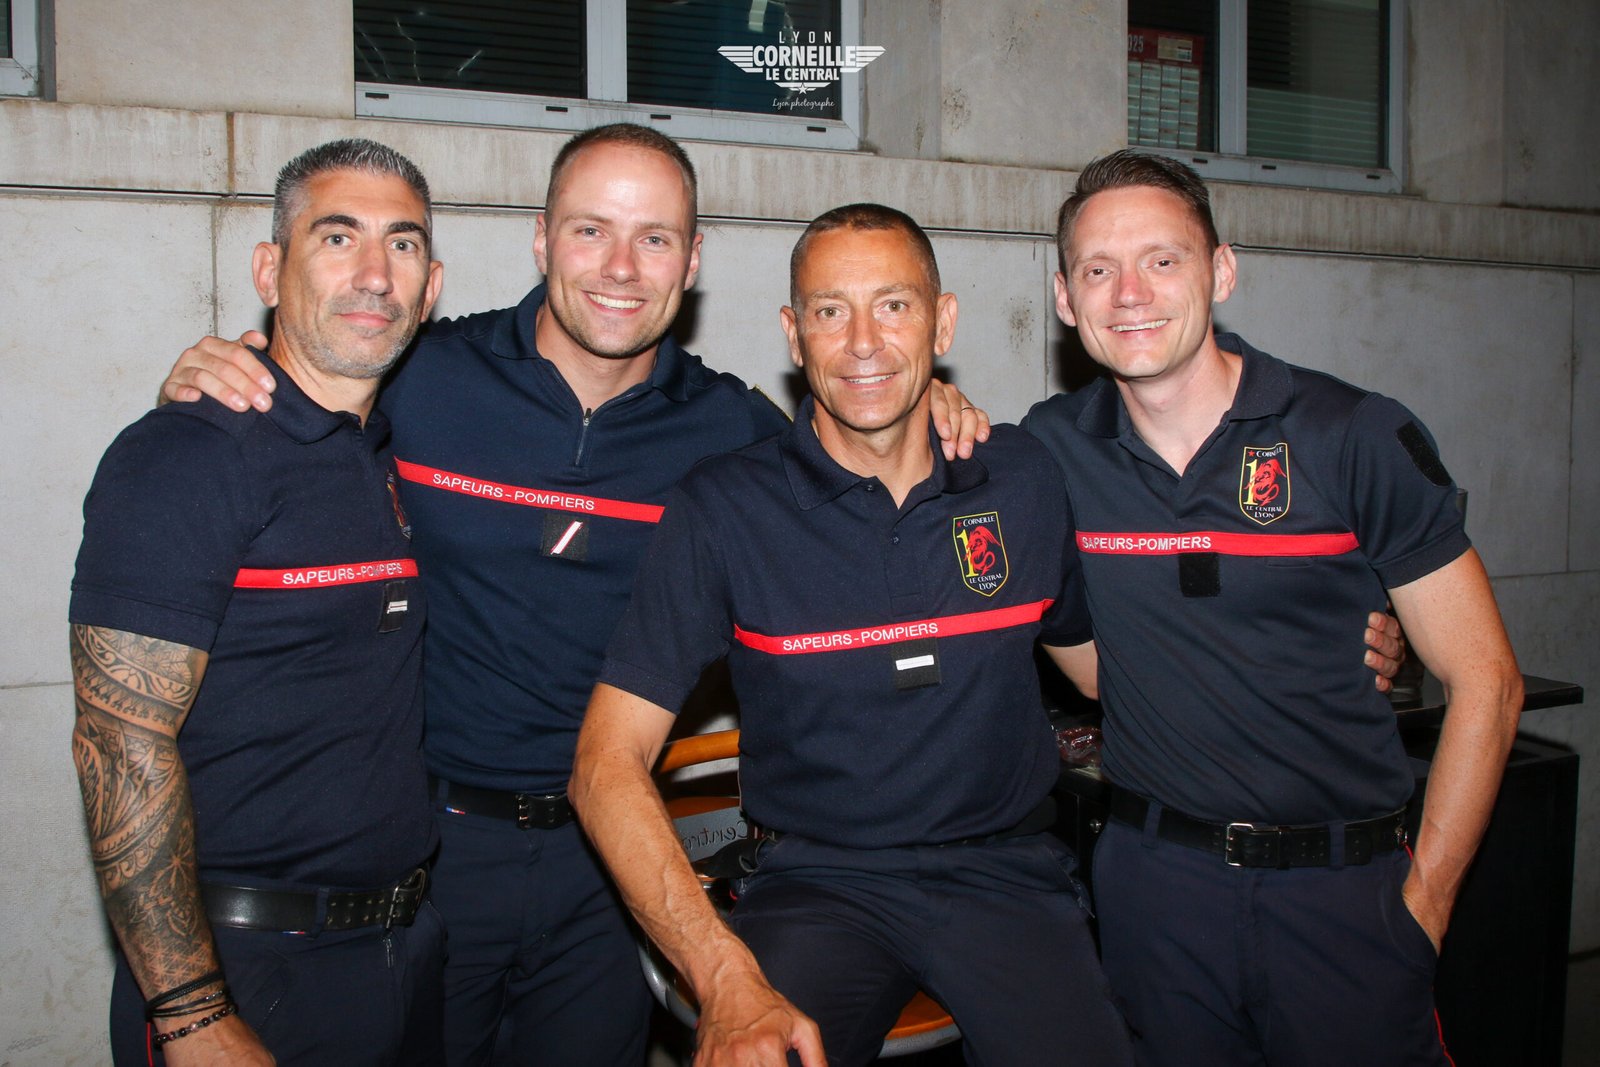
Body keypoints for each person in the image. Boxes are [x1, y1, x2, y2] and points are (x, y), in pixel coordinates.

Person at [158, 124, 989, 1066]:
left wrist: (934, 407)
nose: (621, 268)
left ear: (692, 261)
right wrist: (214, 375)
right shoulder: (419, 375)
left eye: (654, 238)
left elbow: (866, 449)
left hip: (612, 872)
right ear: (542, 239)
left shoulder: (734, 433)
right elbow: (287, 407)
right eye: (592, 230)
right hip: (424, 864)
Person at [570, 203, 1139, 1067]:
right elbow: (603, 762)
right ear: (794, 336)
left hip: (1009, 876)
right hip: (816, 884)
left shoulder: (1021, 478)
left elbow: (1103, 670)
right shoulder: (725, 507)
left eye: (895, 305)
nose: (864, 342)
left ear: (942, 323)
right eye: (831, 311)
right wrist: (723, 973)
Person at [1020, 150, 1524, 1067]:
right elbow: (1100, 673)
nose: (1130, 293)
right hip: (1154, 899)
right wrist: (936, 402)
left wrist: (1425, 908)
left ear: (1221, 271)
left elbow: (1487, 680)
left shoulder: (1351, 433)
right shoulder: (1049, 451)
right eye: (1098, 269)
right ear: (1064, 297)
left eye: (1163, 259)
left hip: (1345, 899)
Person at [70, 138, 446, 1064]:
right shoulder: (187, 453)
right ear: (269, 271)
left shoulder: (387, 451)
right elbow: (119, 742)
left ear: (431, 287)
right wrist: (191, 1012)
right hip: (245, 968)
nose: (374, 274)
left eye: (401, 244)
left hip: (401, 952)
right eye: (337, 237)